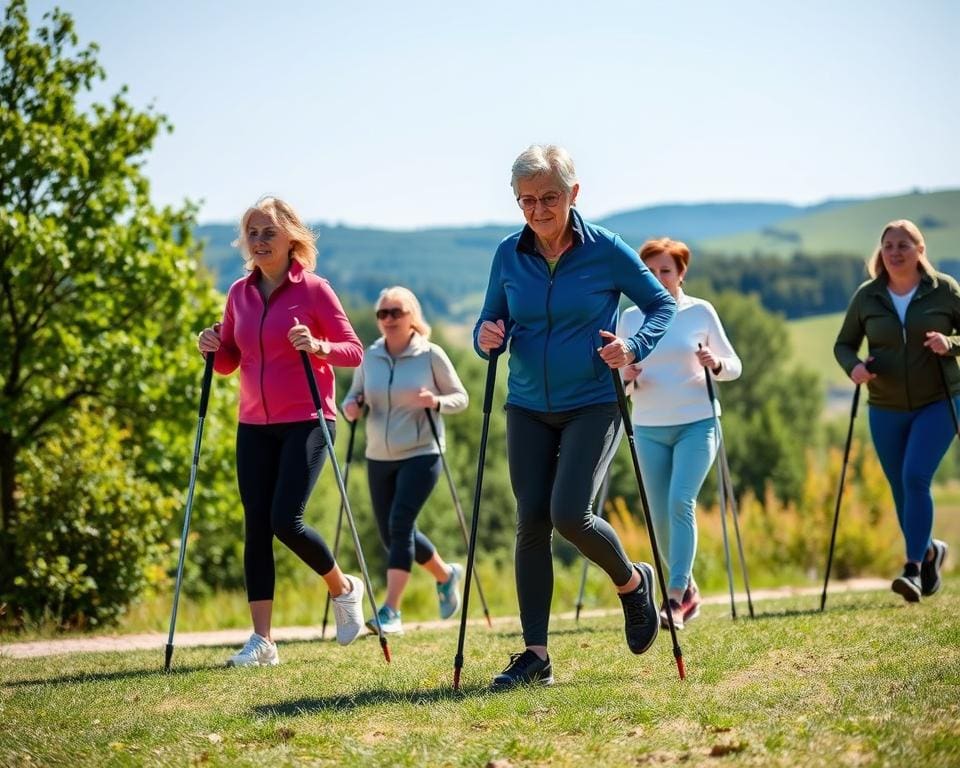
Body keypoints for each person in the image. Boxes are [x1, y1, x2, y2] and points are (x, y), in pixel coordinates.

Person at [474, 144, 677, 690]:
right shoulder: (507, 254)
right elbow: (490, 320)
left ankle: (633, 582)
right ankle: (535, 656)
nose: (538, 210)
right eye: (527, 200)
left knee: (569, 514)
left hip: (593, 401)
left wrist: (634, 346)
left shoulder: (606, 250)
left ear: (573, 194)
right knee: (531, 523)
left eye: (549, 197)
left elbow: (662, 305)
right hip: (527, 406)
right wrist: (485, 337)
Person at [196, 197, 366, 666]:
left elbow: (354, 352)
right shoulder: (238, 294)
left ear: (291, 236)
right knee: (256, 528)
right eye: (252, 232)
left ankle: (344, 588)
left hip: (308, 418)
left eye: (268, 232)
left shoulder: (313, 290)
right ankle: (263, 641)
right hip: (253, 423)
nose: (259, 240)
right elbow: (231, 358)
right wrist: (211, 345)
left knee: (284, 520)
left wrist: (317, 345)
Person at [616, 238, 742, 630]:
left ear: (681, 273)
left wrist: (715, 362)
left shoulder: (699, 312)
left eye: (665, 271)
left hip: (698, 421)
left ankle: (673, 600)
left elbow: (734, 365)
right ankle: (688, 589)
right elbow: (617, 380)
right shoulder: (631, 318)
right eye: (649, 272)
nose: (657, 278)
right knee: (657, 517)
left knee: (679, 502)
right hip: (649, 426)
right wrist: (626, 376)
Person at [835, 219, 960, 602]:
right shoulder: (868, 296)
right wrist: (853, 368)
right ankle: (930, 553)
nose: (895, 251)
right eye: (888, 245)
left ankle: (912, 570)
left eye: (903, 244)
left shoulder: (944, 290)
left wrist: (950, 343)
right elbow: (844, 345)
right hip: (886, 405)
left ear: (920, 250)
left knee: (915, 476)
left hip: (940, 400)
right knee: (900, 488)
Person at [342, 286, 469, 634]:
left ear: (412, 315)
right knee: (394, 535)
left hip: (421, 452)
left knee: (399, 525)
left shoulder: (430, 355)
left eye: (395, 312)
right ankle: (446, 575)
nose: (388, 319)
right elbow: (353, 396)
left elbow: (461, 398)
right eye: (382, 314)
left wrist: (436, 401)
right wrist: (350, 407)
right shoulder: (371, 356)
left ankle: (390, 612)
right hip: (378, 455)